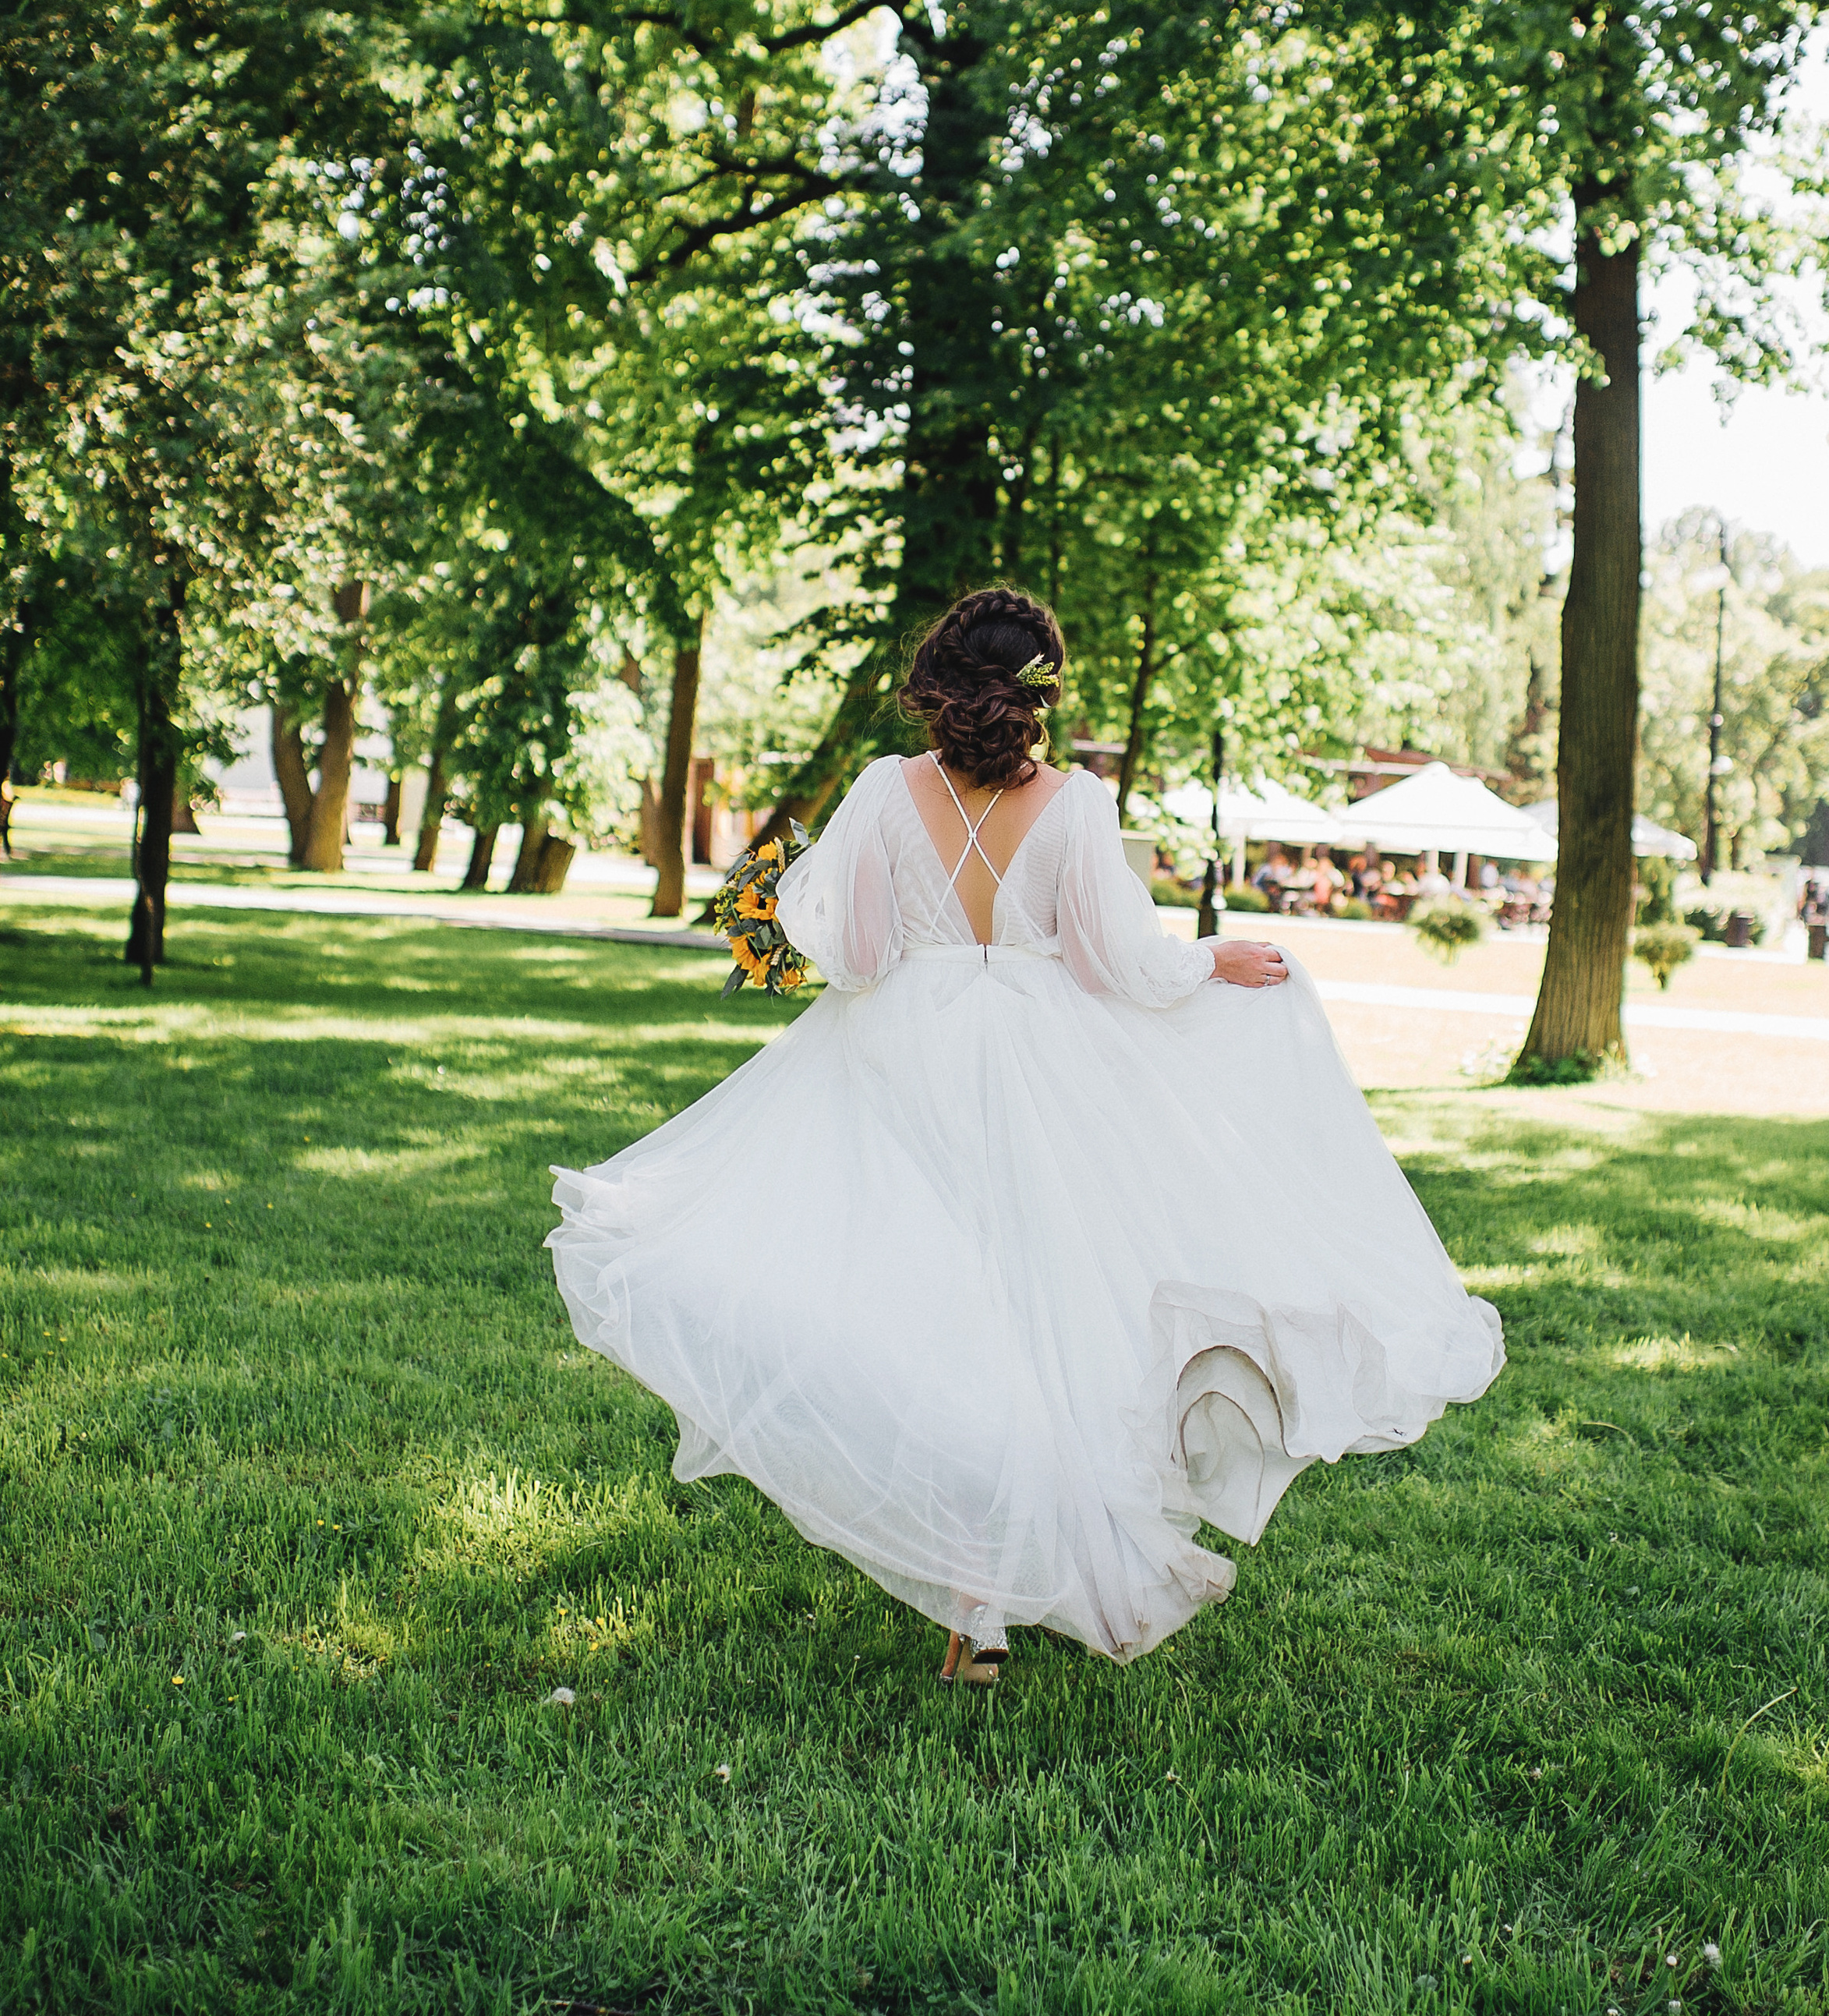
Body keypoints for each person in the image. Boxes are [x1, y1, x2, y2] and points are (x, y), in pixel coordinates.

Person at [547, 588, 1503, 1685]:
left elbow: (857, 956)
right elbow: (1116, 966)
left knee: (936, 1317)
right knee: (1039, 1314)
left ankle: (979, 1599)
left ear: (941, 678)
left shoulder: (880, 792)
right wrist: (1213, 961)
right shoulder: (1079, 806)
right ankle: (1000, 1586)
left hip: (902, 1060)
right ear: (1042, 693)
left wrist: (798, 914)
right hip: (1047, 1070)